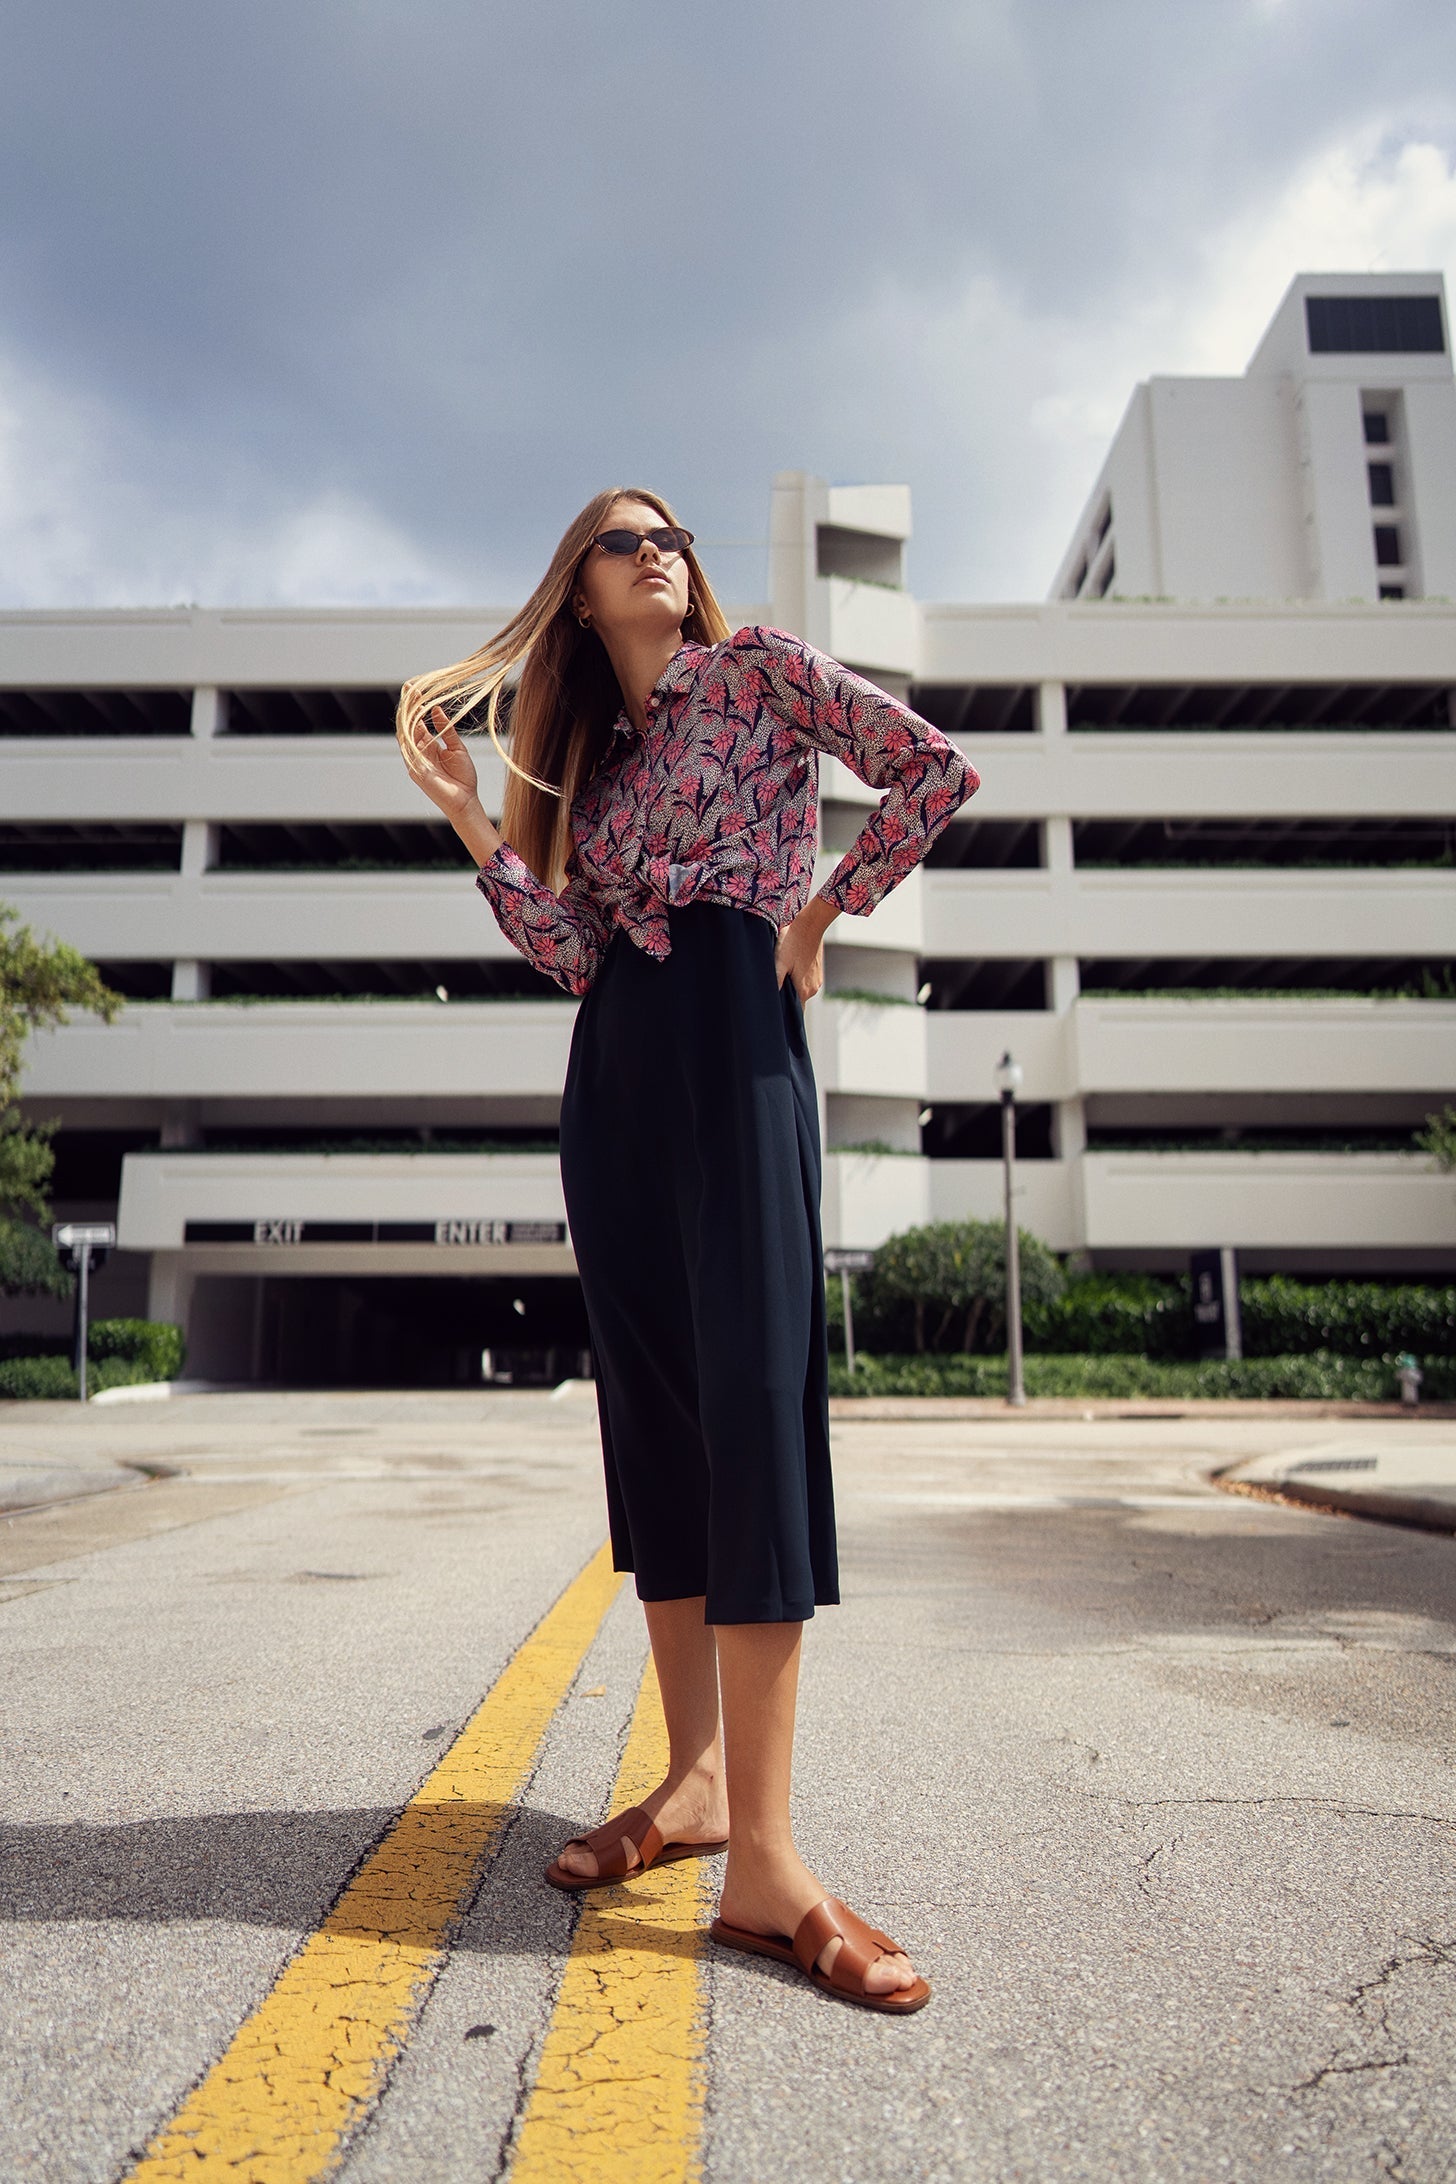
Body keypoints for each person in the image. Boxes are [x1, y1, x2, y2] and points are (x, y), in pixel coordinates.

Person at [396, 489, 980, 2014]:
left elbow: (931, 769)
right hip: (620, 1080)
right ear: (579, 597)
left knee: (757, 1419)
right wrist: (470, 812)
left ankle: (771, 1866)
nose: (661, 552)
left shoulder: (763, 671)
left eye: (671, 535)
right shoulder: (604, 766)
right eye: (622, 540)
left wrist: (826, 908)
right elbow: (576, 955)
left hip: (738, 1044)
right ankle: (698, 1781)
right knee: (655, 1423)